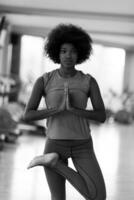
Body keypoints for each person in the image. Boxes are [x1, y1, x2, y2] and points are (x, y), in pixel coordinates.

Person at [23, 24, 106, 200]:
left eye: (73, 51)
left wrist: (76, 110)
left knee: (98, 197)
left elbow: (101, 116)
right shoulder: (44, 81)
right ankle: (52, 159)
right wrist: (56, 110)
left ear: (80, 54)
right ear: (57, 53)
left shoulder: (88, 82)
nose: (68, 55)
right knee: (58, 198)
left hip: (82, 145)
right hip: (54, 144)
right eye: (63, 51)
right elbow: (28, 115)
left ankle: (53, 163)